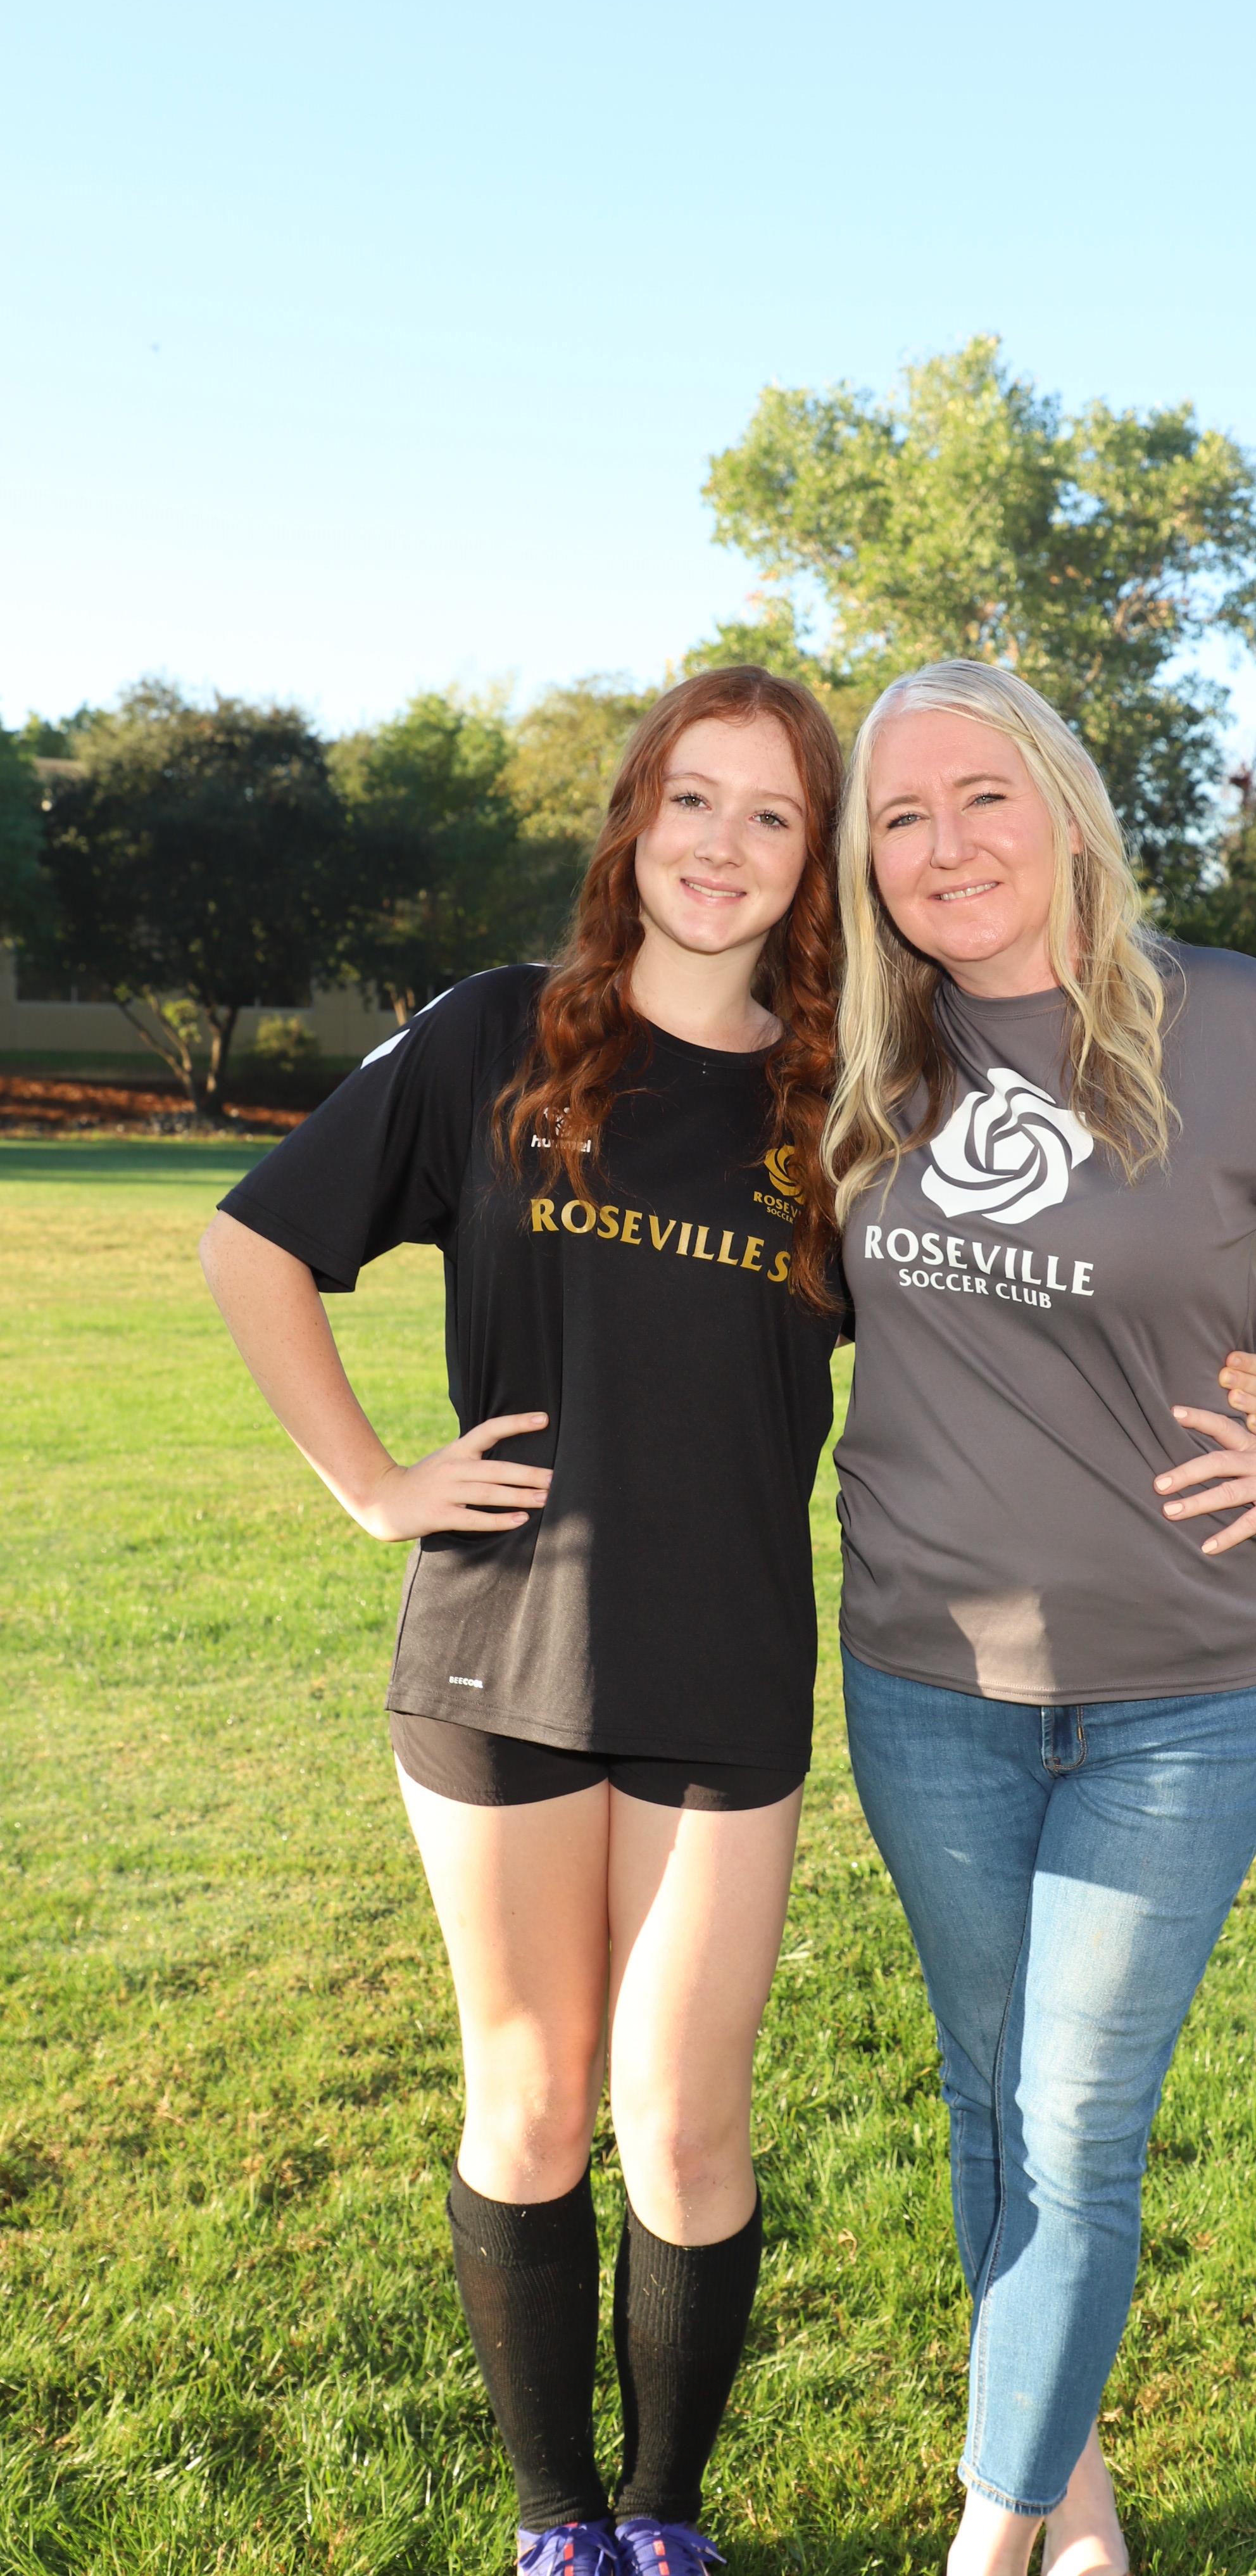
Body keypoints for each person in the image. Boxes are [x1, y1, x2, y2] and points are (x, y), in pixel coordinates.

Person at [822, 659, 1256, 2576]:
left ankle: (987, 2539)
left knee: (1074, 2124)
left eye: (982, 797)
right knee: (992, 2104)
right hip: (926, 1677)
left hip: (1180, 1692)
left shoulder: (1237, 1025)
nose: (945, 846)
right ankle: (1076, 2503)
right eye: (901, 816)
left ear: (1066, 811)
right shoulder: (861, 1049)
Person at [199, 666, 850, 2576]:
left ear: (812, 864)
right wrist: (371, 1482)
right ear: (635, 817)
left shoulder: (848, 1105)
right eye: (692, 798)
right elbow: (255, 1243)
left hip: (727, 1662)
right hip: (499, 1653)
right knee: (537, 2096)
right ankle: (563, 2520)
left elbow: (1012, 1311)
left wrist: (1214, 1369)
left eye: (773, 815)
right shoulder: (501, 1032)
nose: (722, 846)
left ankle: (667, 2519)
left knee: (688, 2121)